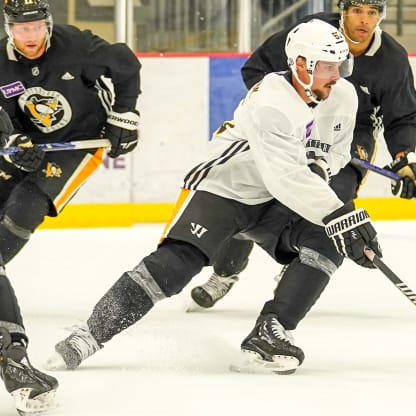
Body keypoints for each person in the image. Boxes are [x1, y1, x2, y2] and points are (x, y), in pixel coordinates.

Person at [46, 19, 381, 374]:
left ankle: (271, 333)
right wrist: (340, 213)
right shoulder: (271, 100)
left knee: (326, 242)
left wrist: (320, 166)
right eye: (329, 66)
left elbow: (335, 151)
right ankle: (90, 334)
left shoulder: (342, 94)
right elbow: (284, 177)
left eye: (341, 64)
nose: (338, 74)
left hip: (276, 199)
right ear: (301, 64)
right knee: (176, 266)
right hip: (227, 187)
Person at [190, 0, 416, 310]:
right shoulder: (312, 31)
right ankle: (225, 271)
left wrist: (405, 158)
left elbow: (401, 116)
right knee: (251, 191)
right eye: (357, 11)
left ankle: (301, 263)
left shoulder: (392, 59)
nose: (364, 20)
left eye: (372, 13)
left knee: (333, 197)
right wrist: (284, 112)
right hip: (295, 120)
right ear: (343, 11)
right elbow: (256, 68)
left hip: (350, 134)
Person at [0, 0, 141, 412]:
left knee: (24, 206)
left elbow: (126, 62)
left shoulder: (77, 46)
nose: (30, 37)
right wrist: (8, 140)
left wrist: (125, 115)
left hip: (74, 147)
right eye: (20, 29)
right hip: (21, 146)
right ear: (9, 28)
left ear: (48, 23)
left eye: (36, 27)